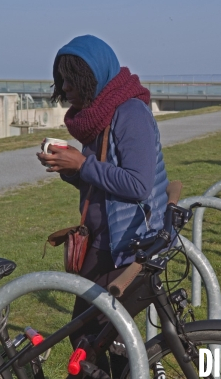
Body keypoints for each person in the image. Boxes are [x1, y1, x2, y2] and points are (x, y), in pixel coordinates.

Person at [36, 35, 169, 376]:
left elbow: (138, 185)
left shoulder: (130, 113)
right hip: (103, 242)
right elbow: (103, 182)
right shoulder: (99, 116)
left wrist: (82, 165)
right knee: (99, 334)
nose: (65, 88)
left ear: (93, 78)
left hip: (124, 245)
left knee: (91, 333)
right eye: (61, 80)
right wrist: (67, 168)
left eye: (72, 80)